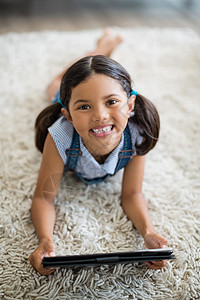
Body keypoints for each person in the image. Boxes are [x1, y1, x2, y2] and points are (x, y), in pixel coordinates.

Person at [29, 29, 168, 275]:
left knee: (81, 75)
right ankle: (101, 48)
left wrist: (148, 232)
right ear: (68, 115)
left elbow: (132, 194)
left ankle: (101, 49)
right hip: (58, 98)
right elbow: (43, 198)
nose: (100, 116)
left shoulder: (138, 133)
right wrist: (45, 240)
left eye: (112, 102)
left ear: (130, 105)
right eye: (84, 106)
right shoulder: (60, 135)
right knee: (54, 85)